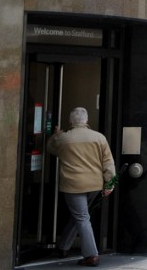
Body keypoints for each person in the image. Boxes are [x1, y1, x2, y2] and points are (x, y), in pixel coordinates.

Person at [46, 107, 116, 267]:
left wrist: (56, 135)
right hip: (94, 185)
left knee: (81, 217)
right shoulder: (99, 138)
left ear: (71, 121)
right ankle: (63, 246)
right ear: (86, 121)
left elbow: (50, 148)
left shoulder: (63, 139)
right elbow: (108, 162)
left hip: (73, 185)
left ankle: (91, 255)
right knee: (80, 215)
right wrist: (110, 183)